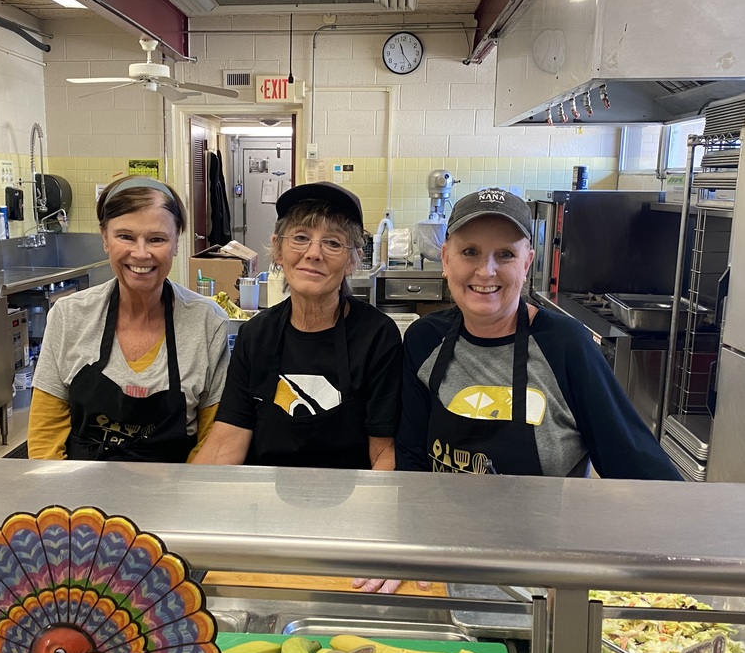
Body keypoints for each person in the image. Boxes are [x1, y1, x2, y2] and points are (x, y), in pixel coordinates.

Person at [396, 187, 681, 480]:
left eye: (505, 254)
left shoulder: (566, 346)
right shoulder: (424, 339)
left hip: (544, 526)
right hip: (443, 523)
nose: (486, 271)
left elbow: (642, 472)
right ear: (445, 259)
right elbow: (410, 461)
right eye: (470, 252)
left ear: (527, 263)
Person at [192, 181, 402, 471]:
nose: (314, 253)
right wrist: (186, 502)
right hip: (265, 506)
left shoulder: (377, 336)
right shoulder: (256, 335)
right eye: (301, 237)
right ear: (278, 250)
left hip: (349, 507)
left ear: (352, 259)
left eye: (332, 242)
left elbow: (383, 455)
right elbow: (227, 442)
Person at [27, 176, 230, 462]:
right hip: (81, 497)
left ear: (176, 243)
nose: (141, 253)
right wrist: (69, 503)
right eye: (125, 236)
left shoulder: (207, 323)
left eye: (157, 239)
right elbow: (45, 437)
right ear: (105, 239)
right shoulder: (69, 315)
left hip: (173, 494)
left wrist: (184, 501)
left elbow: (213, 439)